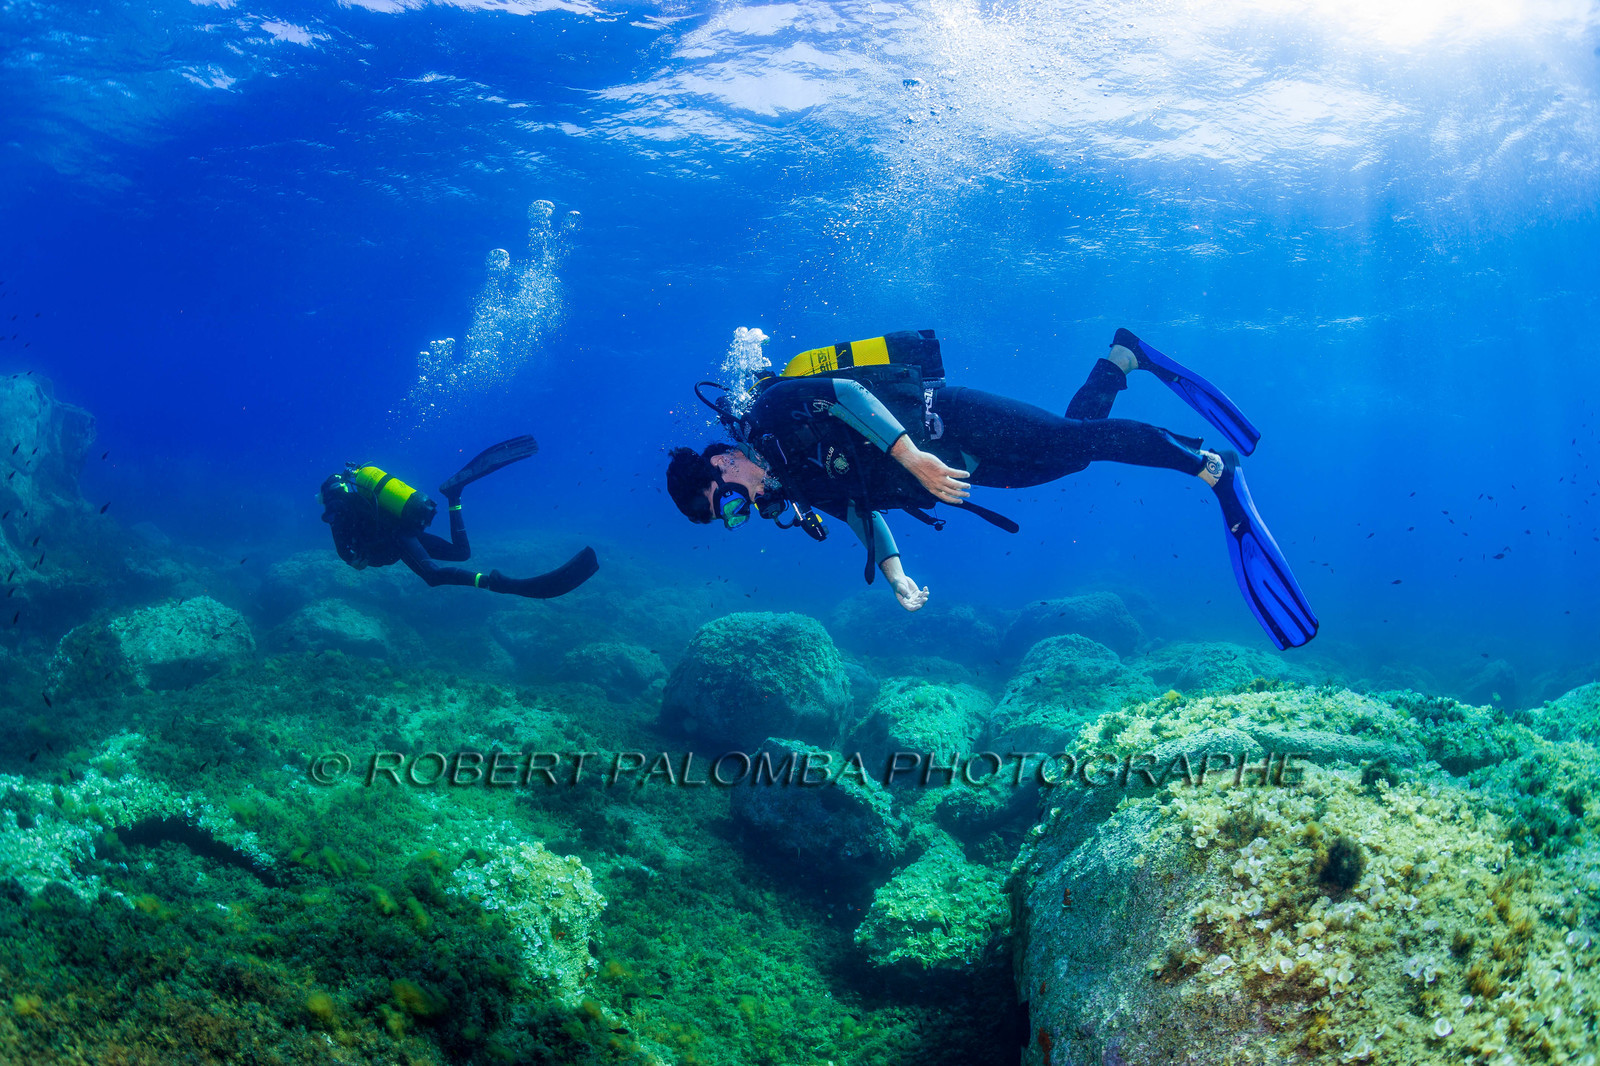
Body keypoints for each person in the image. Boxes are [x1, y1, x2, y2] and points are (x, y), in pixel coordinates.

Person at [664, 329, 1317, 649]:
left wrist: (912, 456)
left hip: (940, 419)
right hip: (946, 463)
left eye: (728, 501)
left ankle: (1210, 467)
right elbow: (858, 512)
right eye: (731, 520)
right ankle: (1122, 358)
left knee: (1068, 443)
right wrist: (893, 573)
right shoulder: (794, 478)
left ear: (723, 460)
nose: (742, 511)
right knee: (1066, 455)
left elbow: (847, 392)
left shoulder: (773, 412)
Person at [320, 435, 598, 598]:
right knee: (461, 553)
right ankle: (454, 496)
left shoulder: (337, 508)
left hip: (396, 536)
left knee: (433, 575)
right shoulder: (354, 498)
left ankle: (495, 583)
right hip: (402, 530)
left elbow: (345, 552)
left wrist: (352, 558)